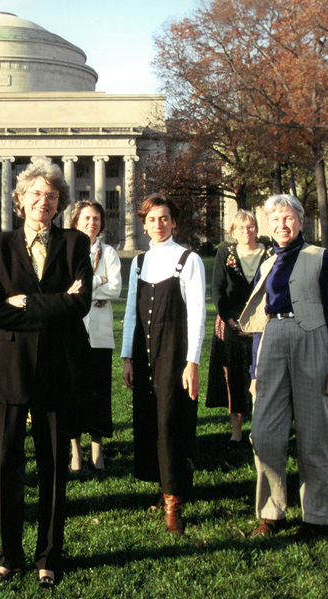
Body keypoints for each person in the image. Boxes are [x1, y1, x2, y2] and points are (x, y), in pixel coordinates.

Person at [0, 157, 92, 589]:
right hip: (9, 369)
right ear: (19, 200)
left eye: (51, 195)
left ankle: (49, 556)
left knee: (53, 466)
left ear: (60, 203)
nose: (43, 201)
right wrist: (54, 305)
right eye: (35, 194)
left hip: (58, 367)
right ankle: (9, 556)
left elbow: (80, 305)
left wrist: (26, 302)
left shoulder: (75, 244)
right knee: (7, 465)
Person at [238, 194, 328, 541]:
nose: (281, 225)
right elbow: (258, 317)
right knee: (265, 434)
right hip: (272, 341)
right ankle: (271, 512)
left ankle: (317, 517)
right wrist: (255, 371)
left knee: (315, 435)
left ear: (301, 222)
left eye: (288, 218)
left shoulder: (319, 257)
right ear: (268, 225)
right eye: (275, 220)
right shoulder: (267, 261)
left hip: (312, 340)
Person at [120, 195, 206, 536]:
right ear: (144, 224)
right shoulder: (139, 262)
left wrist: (192, 362)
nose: (158, 224)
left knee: (171, 423)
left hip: (174, 355)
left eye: (165, 218)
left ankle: (174, 502)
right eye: (152, 219)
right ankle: (163, 484)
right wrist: (127, 357)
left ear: (174, 223)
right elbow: (130, 313)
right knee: (151, 423)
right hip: (144, 354)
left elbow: (198, 314)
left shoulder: (188, 259)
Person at [205, 210, 270, 452]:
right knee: (234, 379)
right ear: (233, 232)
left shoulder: (269, 253)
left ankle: (262, 430)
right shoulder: (225, 253)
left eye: (251, 226)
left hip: (264, 325)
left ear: (257, 228)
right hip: (232, 325)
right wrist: (233, 322)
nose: (246, 231)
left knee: (263, 377)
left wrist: (260, 323)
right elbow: (218, 292)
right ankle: (236, 434)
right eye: (241, 228)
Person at [67, 200, 122, 471]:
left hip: (100, 333)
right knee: (73, 393)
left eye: (97, 218)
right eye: (87, 218)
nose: (92, 223)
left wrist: (86, 289)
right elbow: (65, 290)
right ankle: (75, 453)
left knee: (98, 393)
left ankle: (97, 453)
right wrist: (98, 282)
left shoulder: (108, 252)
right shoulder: (66, 250)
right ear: (75, 221)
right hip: (71, 331)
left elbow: (116, 289)